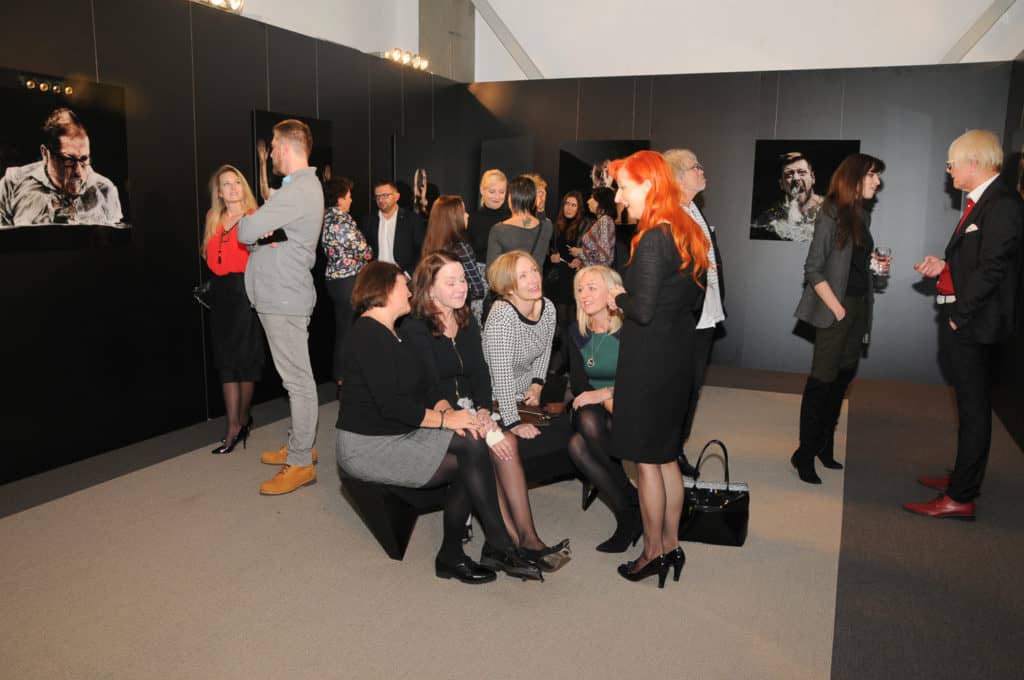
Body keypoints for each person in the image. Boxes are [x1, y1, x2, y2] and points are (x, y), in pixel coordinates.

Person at [337, 261, 542, 583]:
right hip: (368, 446)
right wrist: (446, 419)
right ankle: (496, 545)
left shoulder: (391, 332)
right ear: (386, 290)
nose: (410, 292)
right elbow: (392, 405)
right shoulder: (368, 334)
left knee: (472, 443)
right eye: (403, 286)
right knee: (470, 452)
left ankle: (460, 553)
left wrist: (457, 415)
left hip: (398, 432)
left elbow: (424, 387)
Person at [402, 251, 568, 571]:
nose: (461, 287)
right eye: (451, 282)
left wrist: (482, 410)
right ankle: (507, 542)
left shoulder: (465, 321)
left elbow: (480, 373)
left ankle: (527, 539)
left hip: (470, 409)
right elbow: (430, 386)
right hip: (435, 415)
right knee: (492, 443)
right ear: (430, 289)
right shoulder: (415, 328)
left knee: (505, 443)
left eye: (463, 279)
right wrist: (471, 419)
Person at [906, 130, 1023, 519]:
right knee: (970, 407)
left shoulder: (1002, 204)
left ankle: (960, 496)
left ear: (973, 162)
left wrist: (959, 316)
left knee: (974, 410)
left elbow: (993, 270)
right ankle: (963, 477)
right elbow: (977, 261)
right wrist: (945, 266)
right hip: (969, 321)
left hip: (975, 324)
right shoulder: (984, 201)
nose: (948, 170)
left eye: (951, 163)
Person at [606, 150, 710, 587]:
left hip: (648, 365)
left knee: (647, 463)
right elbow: (695, 303)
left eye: (623, 187)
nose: (618, 197)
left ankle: (651, 553)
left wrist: (617, 297)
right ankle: (671, 546)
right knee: (666, 458)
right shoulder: (690, 230)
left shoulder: (653, 237)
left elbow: (643, 310)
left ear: (648, 185)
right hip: (677, 359)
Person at [238, 119, 324, 495]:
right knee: (296, 380)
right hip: (282, 295)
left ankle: (301, 462)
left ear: (286, 147)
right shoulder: (298, 188)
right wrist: (265, 233)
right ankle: (300, 445)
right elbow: (255, 237)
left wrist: (258, 228)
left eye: (273, 146)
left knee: (297, 382)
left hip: (285, 297)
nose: (271, 152)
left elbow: (245, 231)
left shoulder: (298, 189)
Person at [790, 153, 887, 484]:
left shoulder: (861, 215)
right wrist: (837, 307)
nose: (878, 182)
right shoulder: (830, 211)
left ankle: (823, 445)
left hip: (859, 309)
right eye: (872, 175)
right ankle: (804, 454)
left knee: (841, 380)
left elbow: (851, 263)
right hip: (837, 310)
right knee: (821, 383)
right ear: (855, 177)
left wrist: (873, 265)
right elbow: (813, 268)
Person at [481, 250, 573, 570]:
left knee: (568, 424)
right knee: (506, 446)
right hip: (492, 397)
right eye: (523, 275)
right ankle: (522, 539)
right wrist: (512, 421)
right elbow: (500, 376)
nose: (534, 279)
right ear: (508, 286)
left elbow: (545, 348)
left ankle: (508, 541)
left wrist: (537, 382)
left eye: (534, 270)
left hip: (523, 394)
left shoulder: (546, 306)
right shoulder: (501, 316)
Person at [566, 265, 641, 552]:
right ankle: (630, 505)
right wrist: (598, 398)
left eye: (592, 288)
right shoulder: (577, 331)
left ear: (611, 291)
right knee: (585, 421)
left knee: (578, 446)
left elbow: (639, 378)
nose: (584, 295)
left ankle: (628, 514)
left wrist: (607, 393)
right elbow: (578, 384)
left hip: (628, 405)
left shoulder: (630, 328)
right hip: (593, 411)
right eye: (580, 289)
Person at [663, 148, 726, 479]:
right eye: (694, 167)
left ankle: (676, 448)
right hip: (684, 318)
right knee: (677, 389)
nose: (702, 170)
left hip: (706, 316)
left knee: (692, 388)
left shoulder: (694, 209)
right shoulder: (670, 216)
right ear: (677, 177)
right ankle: (667, 451)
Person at [201, 165, 265, 454]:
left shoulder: (255, 217)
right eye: (226, 184)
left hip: (246, 292)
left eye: (237, 182)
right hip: (221, 295)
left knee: (245, 361)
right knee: (226, 361)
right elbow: (209, 256)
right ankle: (234, 426)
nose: (232, 188)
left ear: (244, 187)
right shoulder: (212, 218)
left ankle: (242, 419)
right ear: (219, 192)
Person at [0, 107, 123, 227]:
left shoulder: (105, 190)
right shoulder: (12, 183)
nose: (78, 172)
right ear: (45, 153)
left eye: (84, 159)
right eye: (69, 160)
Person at [321, 176, 372, 389]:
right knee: (348, 331)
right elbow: (365, 251)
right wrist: (368, 250)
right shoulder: (341, 221)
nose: (351, 200)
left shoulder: (326, 218)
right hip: (348, 281)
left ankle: (343, 378)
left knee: (344, 329)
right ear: (340, 199)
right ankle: (344, 379)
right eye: (349, 196)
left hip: (335, 281)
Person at [420, 195, 487, 302]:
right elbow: (478, 290)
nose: (467, 215)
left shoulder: (429, 244)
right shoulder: (462, 249)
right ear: (454, 218)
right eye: (463, 212)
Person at [751, 152, 824, 242]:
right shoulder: (770, 217)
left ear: (813, 178)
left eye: (802, 172)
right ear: (781, 184)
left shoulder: (831, 209)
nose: (796, 178)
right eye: (789, 174)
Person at [486, 175, 552, 268]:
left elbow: (491, 271)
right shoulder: (547, 226)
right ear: (533, 198)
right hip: (535, 277)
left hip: (509, 278)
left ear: (511, 198)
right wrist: (541, 207)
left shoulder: (498, 230)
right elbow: (542, 221)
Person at [361, 179, 425, 274]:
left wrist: (408, 274)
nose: (380, 200)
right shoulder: (369, 220)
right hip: (376, 275)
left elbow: (421, 250)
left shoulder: (412, 219)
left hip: (402, 275)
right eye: (377, 196)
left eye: (385, 195)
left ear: (397, 197)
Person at [467, 169, 510, 264]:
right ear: (482, 190)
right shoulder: (472, 219)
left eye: (501, 192)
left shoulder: (512, 218)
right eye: (492, 191)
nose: (497, 196)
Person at [572, 186, 616, 267]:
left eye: (592, 198)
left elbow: (603, 255)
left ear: (601, 201)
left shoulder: (604, 221)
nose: (588, 201)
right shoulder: (602, 221)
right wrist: (581, 260)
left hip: (598, 272)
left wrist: (580, 252)